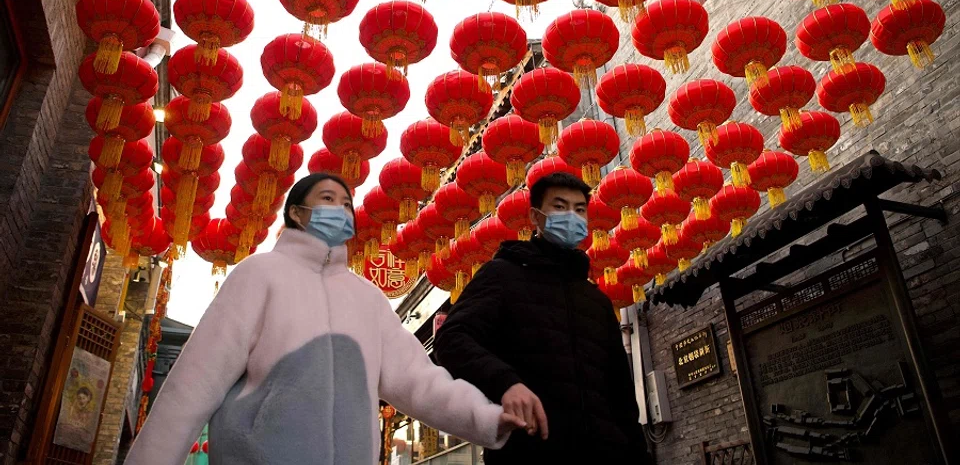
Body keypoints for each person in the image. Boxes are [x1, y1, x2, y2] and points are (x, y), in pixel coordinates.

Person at [126, 173, 523, 465]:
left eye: (347, 204)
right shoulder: (259, 275)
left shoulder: (366, 298)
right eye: (329, 199)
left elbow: (419, 381)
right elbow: (194, 385)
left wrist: (486, 419)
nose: (342, 210)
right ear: (298, 213)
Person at [435, 172, 652, 464]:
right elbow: (451, 338)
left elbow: (622, 398)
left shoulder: (597, 302)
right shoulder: (502, 275)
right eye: (560, 207)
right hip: (529, 452)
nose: (572, 217)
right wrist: (506, 383)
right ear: (536, 218)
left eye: (579, 209)